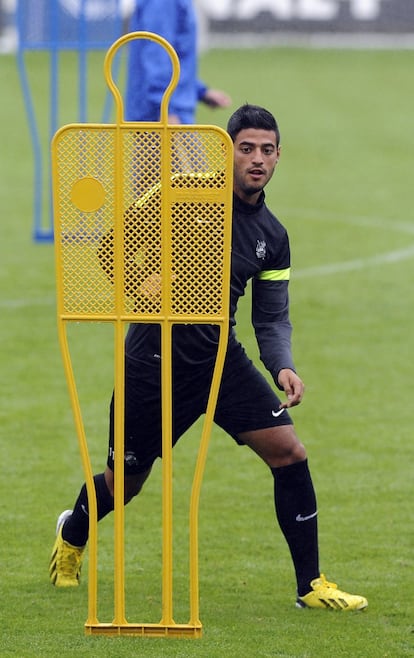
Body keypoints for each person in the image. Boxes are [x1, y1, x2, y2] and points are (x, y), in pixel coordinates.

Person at [49, 104, 368, 612]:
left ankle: (310, 585)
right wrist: (142, 289)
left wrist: (282, 364)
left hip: (220, 361)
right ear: (229, 152)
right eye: (246, 149)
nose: (256, 159)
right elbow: (111, 247)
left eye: (266, 150)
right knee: (124, 485)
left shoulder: (273, 236)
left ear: (279, 156)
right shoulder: (181, 193)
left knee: (290, 452)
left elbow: (271, 316)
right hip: (152, 364)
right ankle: (72, 534)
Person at [124, 0, 231, 124]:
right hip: (162, 114)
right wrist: (166, 111)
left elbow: (174, 58)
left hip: (167, 107)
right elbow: (158, 55)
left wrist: (200, 91)